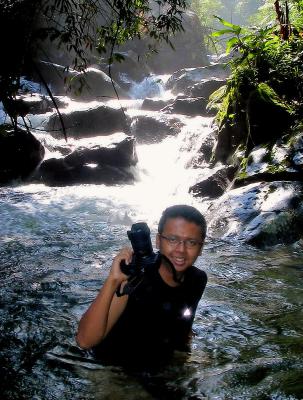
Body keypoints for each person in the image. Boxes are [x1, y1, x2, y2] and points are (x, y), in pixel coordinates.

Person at [76, 204, 207, 366]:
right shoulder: (134, 279)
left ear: (201, 247)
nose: (181, 250)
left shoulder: (197, 279)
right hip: (114, 370)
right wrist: (113, 280)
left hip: (158, 366)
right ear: (158, 241)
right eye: (173, 239)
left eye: (191, 242)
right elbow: (84, 341)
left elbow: (183, 328)